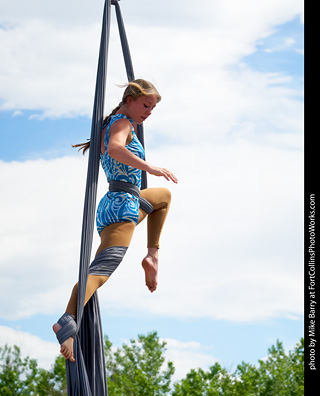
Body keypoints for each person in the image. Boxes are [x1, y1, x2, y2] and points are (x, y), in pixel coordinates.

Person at [53, 79, 178, 362]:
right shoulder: (122, 124)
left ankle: (152, 256)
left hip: (122, 201)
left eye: (153, 108)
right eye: (146, 105)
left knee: (163, 197)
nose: (149, 112)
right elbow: (114, 149)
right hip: (122, 207)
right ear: (130, 100)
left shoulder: (113, 121)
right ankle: (66, 324)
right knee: (99, 272)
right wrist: (150, 167)